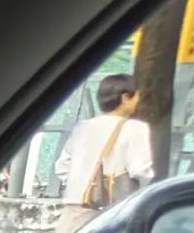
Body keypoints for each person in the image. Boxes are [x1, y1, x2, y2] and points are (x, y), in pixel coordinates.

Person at [59, 79, 154, 211]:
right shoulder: (135, 128)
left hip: (75, 208)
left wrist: (81, 187)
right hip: (113, 210)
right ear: (125, 97)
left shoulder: (83, 127)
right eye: (138, 96)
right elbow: (141, 170)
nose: (139, 101)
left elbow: (62, 166)